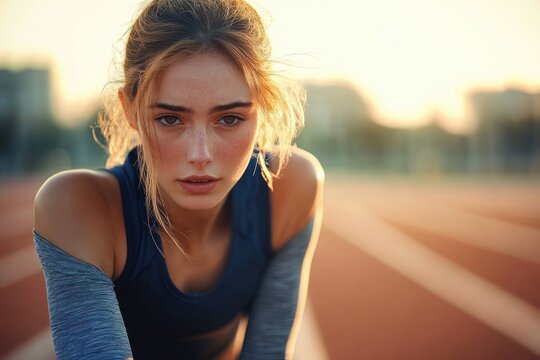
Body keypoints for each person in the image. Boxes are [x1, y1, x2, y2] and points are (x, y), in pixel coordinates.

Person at [33, 0, 324, 359]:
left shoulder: (289, 187)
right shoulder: (77, 206)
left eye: (230, 119)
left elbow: (268, 351)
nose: (200, 154)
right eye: (170, 119)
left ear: (262, 111)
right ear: (130, 110)